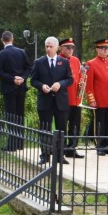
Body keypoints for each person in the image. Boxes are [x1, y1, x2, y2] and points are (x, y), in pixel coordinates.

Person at [30, 36, 73, 164]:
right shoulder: (39, 62)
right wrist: (41, 86)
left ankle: (60, 155)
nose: (48, 49)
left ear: (57, 47)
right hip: (45, 100)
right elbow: (33, 80)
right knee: (45, 128)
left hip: (60, 100)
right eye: (46, 46)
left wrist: (60, 84)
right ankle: (45, 154)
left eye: (51, 46)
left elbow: (70, 79)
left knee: (61, 128)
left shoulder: (64, 62)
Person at [0, 30, 32, 151]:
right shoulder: (21, 52)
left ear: (2, 40)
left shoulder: (1, 54)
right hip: (21, 87)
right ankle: (20, 143)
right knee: (20, 115)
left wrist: (12, 79)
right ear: (13, 39)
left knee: (11, 116)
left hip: (9, 88)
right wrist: (22, 78)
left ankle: (12, 144)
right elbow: (29, 67)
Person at [84, 38, 108, 155]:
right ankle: (99, 146)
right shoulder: (91, 64)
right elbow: (89, 85)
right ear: (97, 49)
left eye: (107, 48)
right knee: (99, 123)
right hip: (99, 99)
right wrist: (91, 99)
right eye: (103, 48)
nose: (106, 50)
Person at [59, 38, 85, 158]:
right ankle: (62, 149)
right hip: (64, 99)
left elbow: (80, 75)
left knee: (75, 125)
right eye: (67, 47)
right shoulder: (58, 60)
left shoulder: (76, 60)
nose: (70, 50)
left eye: (72, 48)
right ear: (61, 48)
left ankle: (72, 148)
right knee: (62, 126)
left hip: (76, 98)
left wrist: (82, 80)